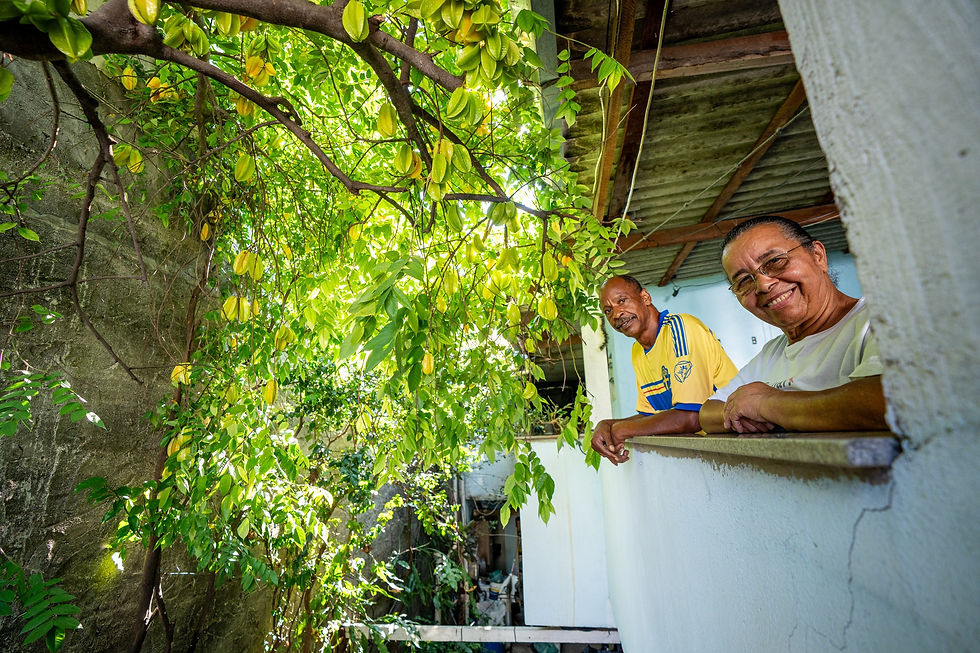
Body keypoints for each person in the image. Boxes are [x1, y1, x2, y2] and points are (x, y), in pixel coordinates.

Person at [699, 216, 887, 434]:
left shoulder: (879, 319)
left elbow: (886, 401)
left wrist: (767, 405)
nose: (763, 285)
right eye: (744, 281)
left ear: (818, 256)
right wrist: (743, 411)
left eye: (775, 262)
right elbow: (708, 413)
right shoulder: (773, 352)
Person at [591, 275, 738, 463]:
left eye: (622, 301)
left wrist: (623, 430)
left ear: (645, 297)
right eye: (608, 311)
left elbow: (692, 417)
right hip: (704, 458)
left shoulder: (680, 328)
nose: (617, 314)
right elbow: (650, 416)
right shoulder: (638, 351)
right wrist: (607, 425)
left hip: (734, 443)